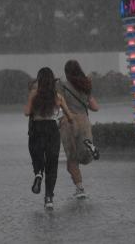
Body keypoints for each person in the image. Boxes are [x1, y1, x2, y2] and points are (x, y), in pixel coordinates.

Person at [24, 67, 73, 210]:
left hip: (37, 129)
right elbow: (69, 117)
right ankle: (49, 197)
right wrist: (67, 119)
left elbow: (27, 112)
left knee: (37, 156)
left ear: (39, 80)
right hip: (52, 130)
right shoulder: (58, 97)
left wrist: (34, 106)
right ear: (52, 81)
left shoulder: (34, 94)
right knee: (52, 164)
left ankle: (38, 174)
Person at [57, 60, 100, 199]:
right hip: (84, 121)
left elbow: (58, 104)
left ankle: (80, 189)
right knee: (84, 157)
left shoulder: (62, 85)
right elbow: (95, 107)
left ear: (66, 72)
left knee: (72, 159)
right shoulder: (86, 84)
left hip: (69, 122)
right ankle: (89, 147)